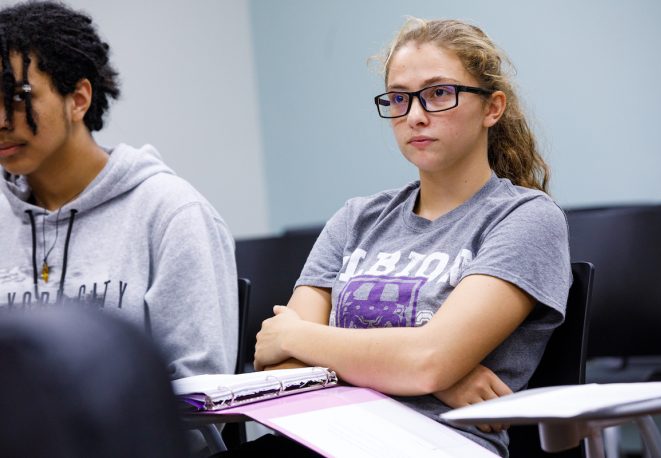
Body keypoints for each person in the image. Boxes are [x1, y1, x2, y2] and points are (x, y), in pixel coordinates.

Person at [254, 17, 571, 457]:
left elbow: (427, 362)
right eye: (400, 98)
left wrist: (297, 336)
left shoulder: (526, 218)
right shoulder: (355, 219)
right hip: (321, 436)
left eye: (439, 93)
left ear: (492, 108)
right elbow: (281, 363)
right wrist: (436, 374)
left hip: (435, 444)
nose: (415, 116)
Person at [0, 1, 237, 383]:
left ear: (78, 99)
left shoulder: (171, 213)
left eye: (16, 96)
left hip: (133, 443)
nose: (1, 120)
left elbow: (202, 397)